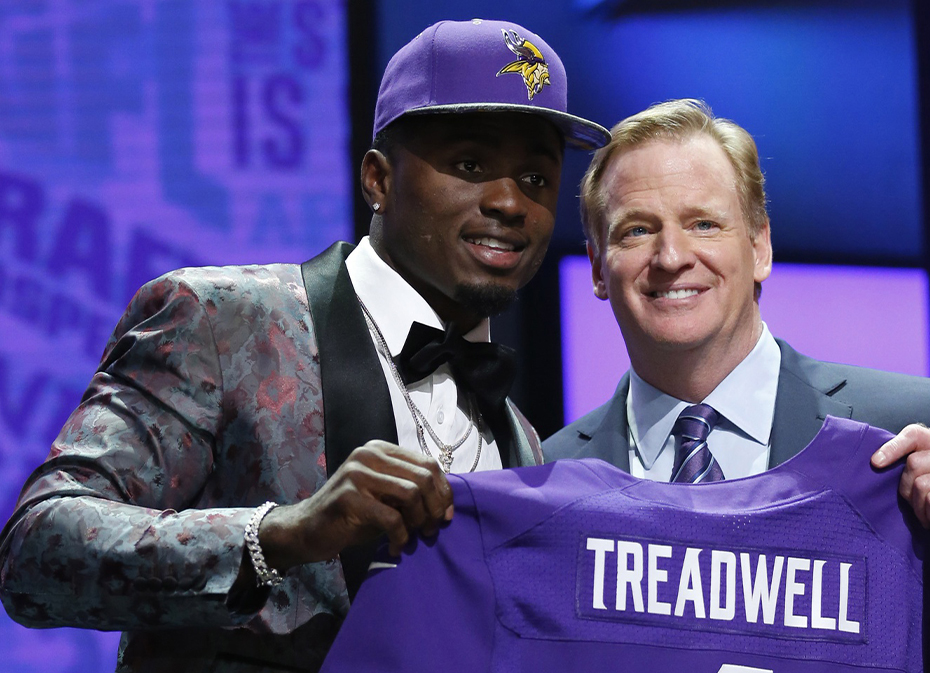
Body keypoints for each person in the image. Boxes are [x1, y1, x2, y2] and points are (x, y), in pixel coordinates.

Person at [0, 19, 609, 673]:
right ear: (377, 179)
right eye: (469, 164)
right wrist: (278, 534)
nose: (510, 202)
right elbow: (35, 551)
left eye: (537, 179)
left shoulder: (520, 437)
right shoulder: (221, 320)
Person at [542, 99, 930, 672]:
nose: (670, 256)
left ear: (759, 246)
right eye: (637, 231)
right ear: (596, 267)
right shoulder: (545, 477)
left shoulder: (924, 428)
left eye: (703, 224)